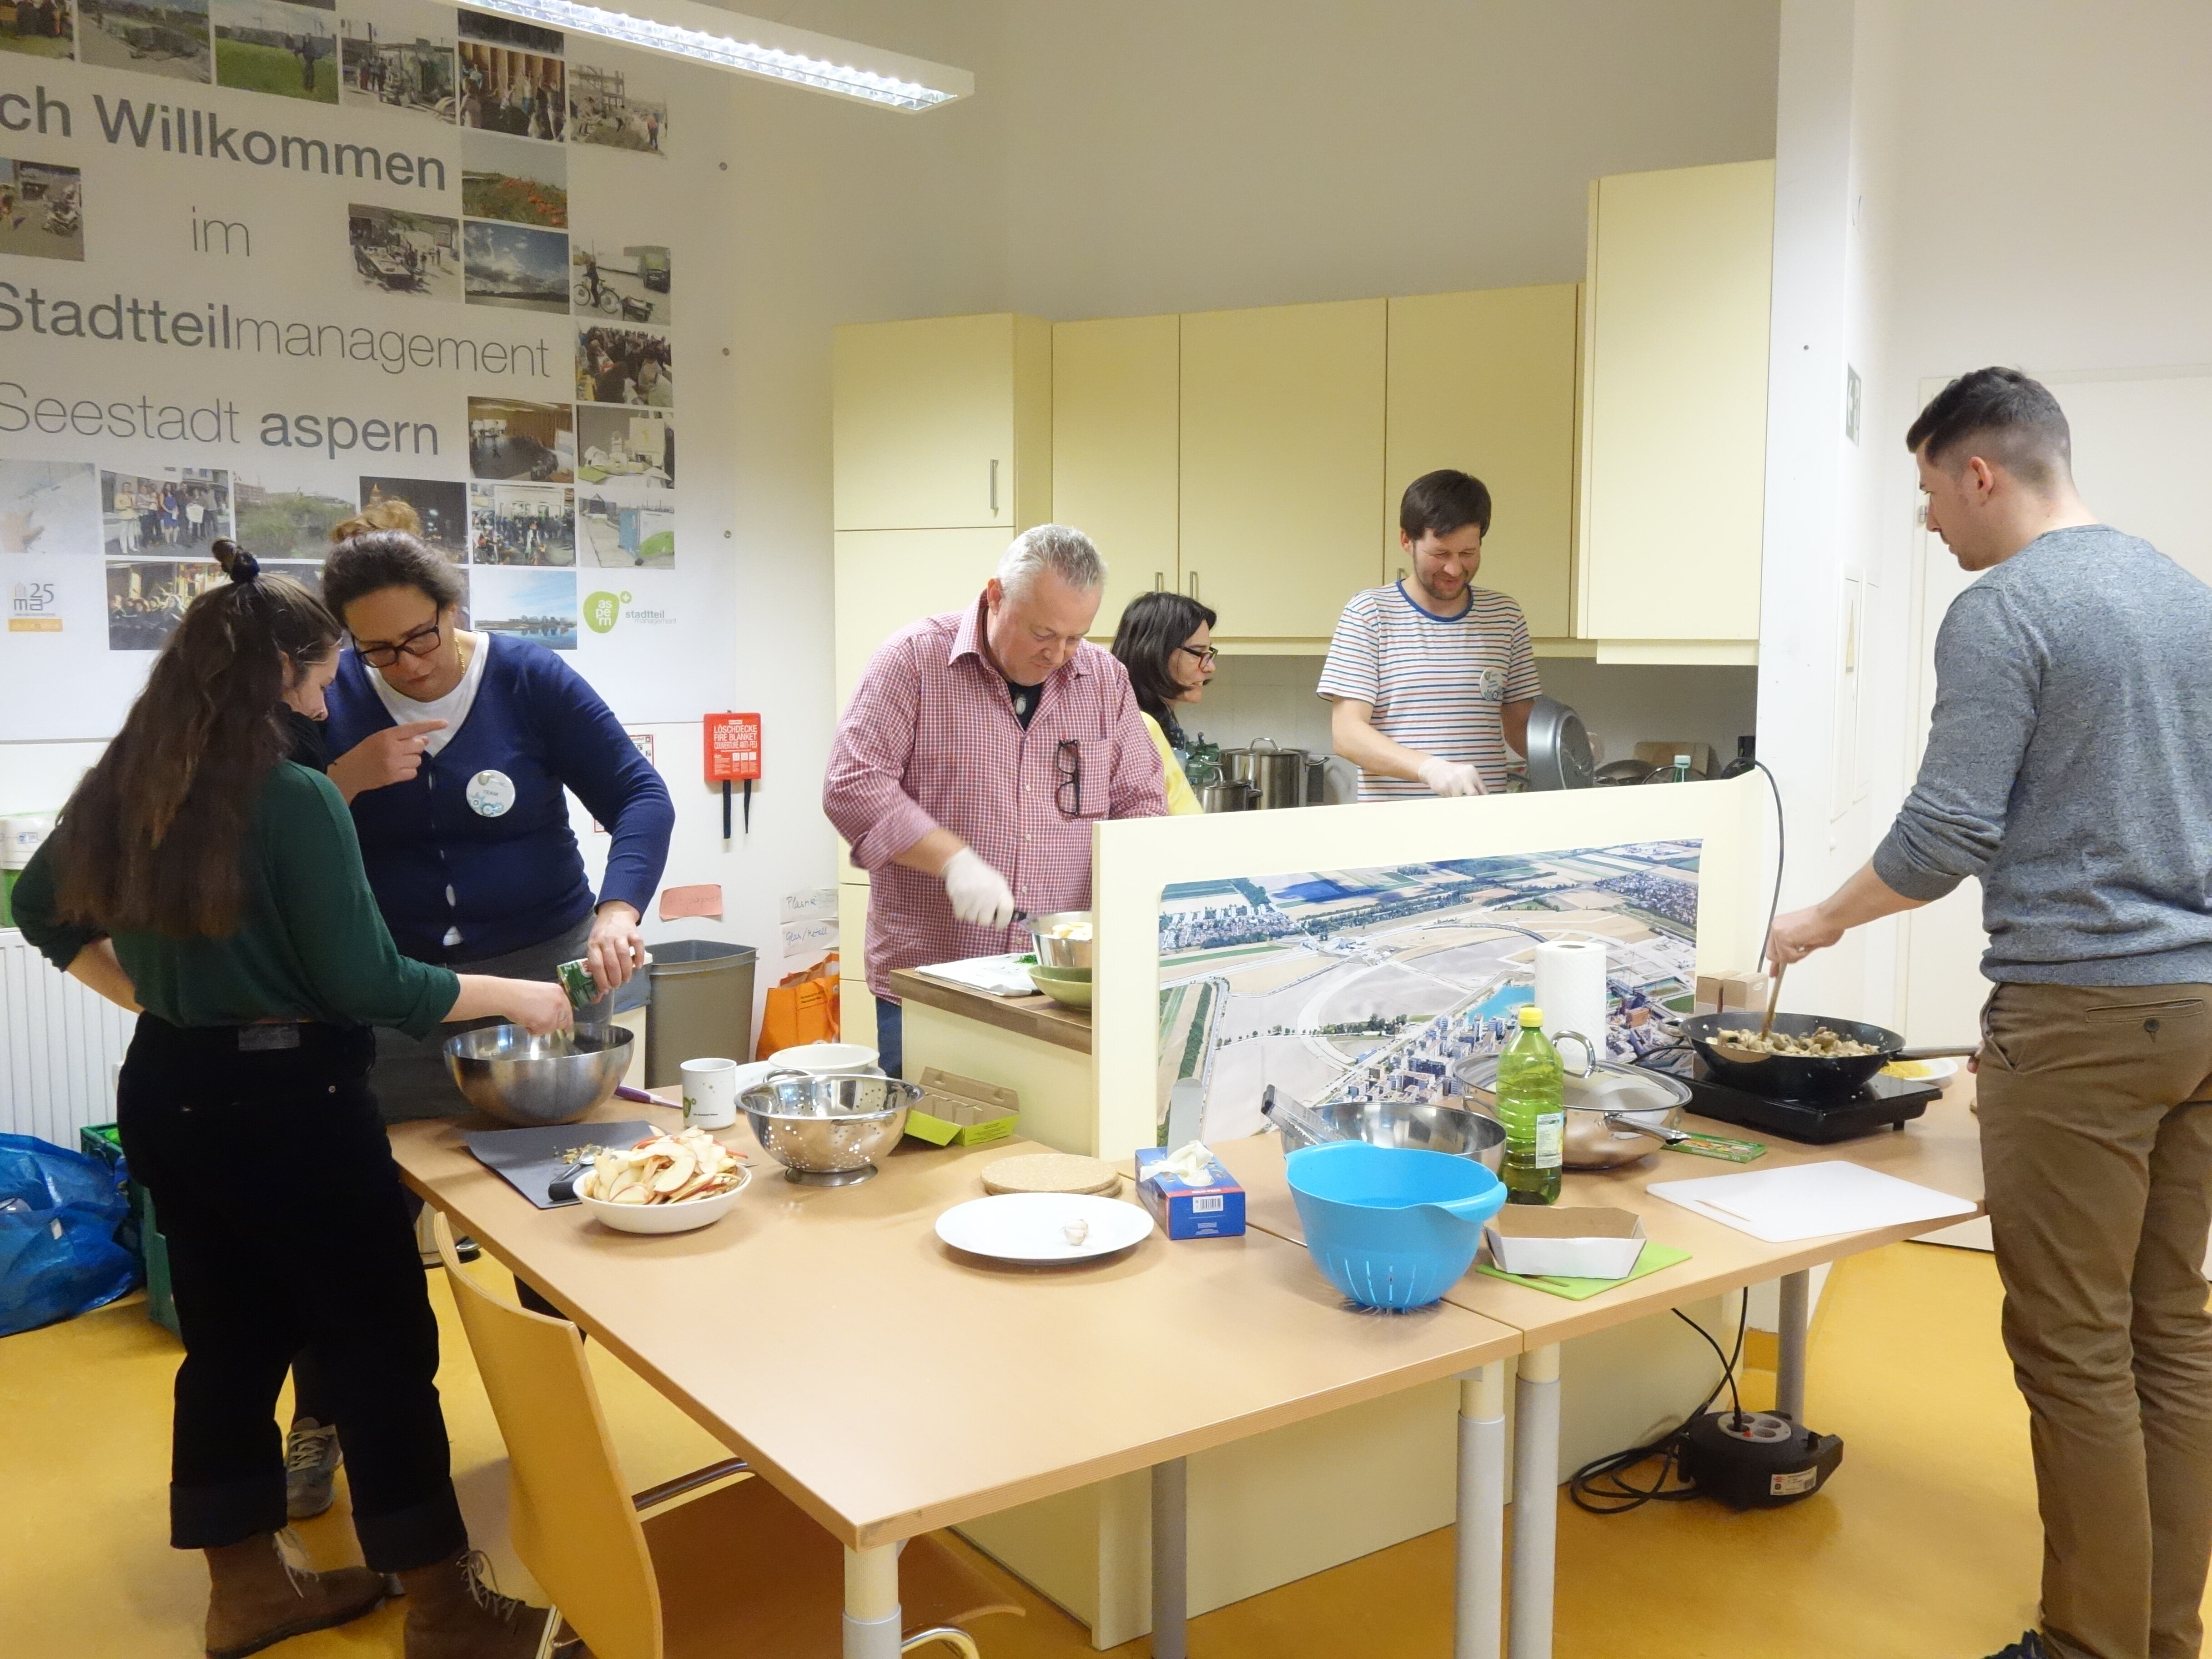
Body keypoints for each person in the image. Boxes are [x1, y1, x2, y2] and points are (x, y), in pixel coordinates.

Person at [11, 545, 568, 1659]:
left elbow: (39, 905)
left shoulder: (131, 784)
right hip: (294, 1106)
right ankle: (446, 1610)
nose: (323, 704)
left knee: (227, 1346)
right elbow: (369, 984)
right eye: (318, 680)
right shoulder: (295, 797)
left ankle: (248, 1592)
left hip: (173, 1091)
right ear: (275, 674)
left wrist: (157, 1001)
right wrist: (519, 996)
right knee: (381, 1350)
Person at [1766, 368, 2212, 1659]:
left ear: (1980, 473)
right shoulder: (2185, 597)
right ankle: (2160, 1636)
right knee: (2167, 1331)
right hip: (2197, 1006)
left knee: (2073, 1348)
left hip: (2082, 1012)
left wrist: (1819, 920)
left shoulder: (2004, 609)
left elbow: (1946, 832)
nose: (1926, 523)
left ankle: (2087, 1646)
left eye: (1926, 491)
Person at [824, 525, 1168, 1076]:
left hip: (1059, 990)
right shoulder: (913, 661)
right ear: (995, 597)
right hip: (936, 983)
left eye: (1075, 637)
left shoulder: (1105, 681)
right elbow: (853, 784)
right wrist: (953, 861)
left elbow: (1141, 804)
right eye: (1042, 633)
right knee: (933, 1128)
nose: (1058, 654)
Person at [1318, 468, 1541, 799]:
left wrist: (1563, 744)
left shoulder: (1504, 615)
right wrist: (1430, 768)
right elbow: (1348, 734)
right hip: (1396, 826)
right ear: (1406, 541)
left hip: (1482, 822)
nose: (1454, 569)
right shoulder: (1369, 613)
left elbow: (1521, 727)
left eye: (1468, 554)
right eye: (1440, 554)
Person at [1110, 588, 1216, 816]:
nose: (1209, 667)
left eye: (1209, 653)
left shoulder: (1157, 726)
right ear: (1155, 652)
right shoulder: (1139, 729)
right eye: (1198, 653)